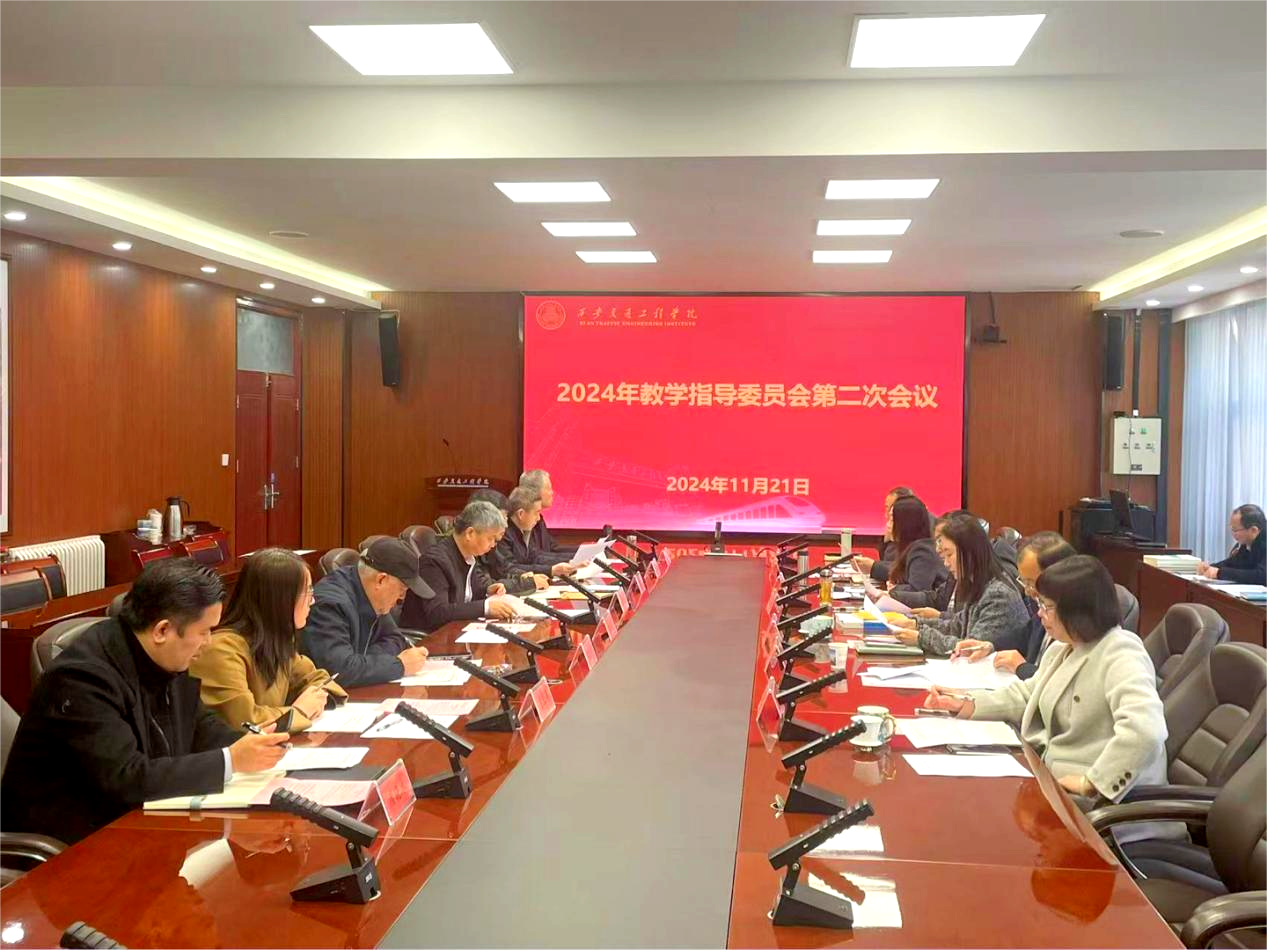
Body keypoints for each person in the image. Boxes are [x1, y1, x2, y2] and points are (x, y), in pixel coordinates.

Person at [0, 559, 290, 844]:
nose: (209, 643)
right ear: (162, 630)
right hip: (71, 846)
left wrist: (248, 745)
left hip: (136, 826)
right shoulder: (82, 678)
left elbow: (198, 724)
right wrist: (231, 759)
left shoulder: (165, 656)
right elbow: (127, 778)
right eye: (204, 632)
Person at [924, 556, 1168, 803]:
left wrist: (1092, 783)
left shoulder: (1121, 652)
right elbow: (1026, 695)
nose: (1039, 613)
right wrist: (966, 702)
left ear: (1078, 610)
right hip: (1051, 778)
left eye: (1047, 606)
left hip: (1103, 802)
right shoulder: (1063, 648)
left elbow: (1146, 731)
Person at [192, 548, 348, 732]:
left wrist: (317, 697)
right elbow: (245, 722)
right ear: (280, 599)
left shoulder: (275, 641)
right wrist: (300, 710)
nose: (312, 601)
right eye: (307, 592)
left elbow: (318, 679)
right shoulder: (221, 650)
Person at [300, 537, 432, 688]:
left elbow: (396, 639)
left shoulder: (371, 593)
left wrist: (360, 661)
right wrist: (398, 665)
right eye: (402, 589)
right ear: (381, 580)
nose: (402, 598)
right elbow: (338, 670)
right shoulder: (330, 605)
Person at [888, 514, 1029, 656]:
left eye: (949, 555)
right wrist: (915, 624)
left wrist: (921, 638)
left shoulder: (998, 594)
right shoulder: (980, 585)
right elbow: (956, 625)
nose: (946, 564)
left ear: (970, 552)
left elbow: (971, 648)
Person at [952, 532, 1077, 679]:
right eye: (1024, 582)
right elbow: (1024, 635)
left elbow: (1060, 683)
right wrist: (989, 646)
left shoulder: (1077, 626)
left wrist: (1022, 667)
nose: (1027, 591)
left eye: (1031, 583)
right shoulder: (1041, 611)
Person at [402, 500, 520, 632]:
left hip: (456, 630)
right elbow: (438, 612)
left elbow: (466, 595)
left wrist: (487, 591)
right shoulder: (434, 561)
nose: (493, 545)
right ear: (470, 533)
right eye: (490, 538)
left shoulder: (468, 556)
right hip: (430, 637)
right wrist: (485, 608)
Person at [468, 488, 549, 595]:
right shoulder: (467, 548)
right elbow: (484, 585)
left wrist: (523, 576)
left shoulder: (489, 542)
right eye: (502, 519)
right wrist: (527, 583)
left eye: (506, 518)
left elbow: (503, 567)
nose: (506, 525)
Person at [499, 487, 577, 580]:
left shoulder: (523, 530)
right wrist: (551, 570)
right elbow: (510, 568)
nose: (538, 518)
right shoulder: (502, 534)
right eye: (536, 513)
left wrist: (570, 562)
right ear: (521, 514)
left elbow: (535, 558)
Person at [884, 496, 948, 599]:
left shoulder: (923, 551)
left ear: (905, 524)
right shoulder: (907, 547)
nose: (887, 525)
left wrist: (895, 589)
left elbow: (918, 590)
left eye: (892, 520)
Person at [852, 485, 914, 582]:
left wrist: (873, 567)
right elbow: (886, 560)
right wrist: (886, 540)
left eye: (890, 510)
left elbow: (906, 572)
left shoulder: (918, 532)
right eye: (887, 509)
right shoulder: (899, 529)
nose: (886, 515)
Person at [1198, 504, 1267, 584]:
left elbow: (1262, 576)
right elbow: (1235, 562)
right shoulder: (1248, 541)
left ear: (1253, 530)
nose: (1233, 534)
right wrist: (1210, 567)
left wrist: (1220, 573)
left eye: (1235, 530)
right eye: (1232, 529)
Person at [519, 469, 578, 561]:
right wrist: (572, 561)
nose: (552, 493)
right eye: (549, 488)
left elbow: (552, 547)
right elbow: (534, 557)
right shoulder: (523, 519)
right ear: (535, 492)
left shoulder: (539, 518)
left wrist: (582, 552)